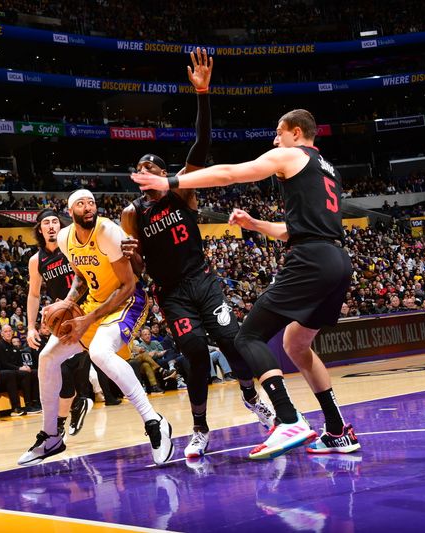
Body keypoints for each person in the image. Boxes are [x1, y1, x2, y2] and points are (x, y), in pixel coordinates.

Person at [132, 108, 361, 459]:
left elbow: (230, 173)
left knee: (247, 336)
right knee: (296, 343)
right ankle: (337, 430)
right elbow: (297, 229)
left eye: (278, 132)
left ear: (296, 133)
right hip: (337, 261)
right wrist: (257, 226)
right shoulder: (328, 170)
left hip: (311, 259)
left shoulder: (290, 153)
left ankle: (288, 419)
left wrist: (170, 182)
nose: (274, 139)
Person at [122, 48, 275, 459]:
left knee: (231, 340)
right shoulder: (131, 213)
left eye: (154, 168)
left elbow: (201, 143)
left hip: (204, 281)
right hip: (171, 292)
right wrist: (132, 255)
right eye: (142, 169)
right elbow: (136, 267)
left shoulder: (183, 190)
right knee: (192, 353)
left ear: (163, 174)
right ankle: (200, 428)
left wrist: (203, 93)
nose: (148, 174)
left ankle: (249, 395)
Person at [17, 190, 173, 466]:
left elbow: (128, 285)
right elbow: (79, 277)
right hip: (94, 303)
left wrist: (86, 320)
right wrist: (66, 304)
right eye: (81, 204)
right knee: (47, 357)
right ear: (71, 211)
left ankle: (154, 422)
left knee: (100, 352)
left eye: (91, 203)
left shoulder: (107, 232)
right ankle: (52, 436)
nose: (88, 207)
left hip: (128, 302)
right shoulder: (66, 238)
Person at [26, 208, 94, 438]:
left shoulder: (71, 247)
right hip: (62, 322)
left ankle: (68, 414)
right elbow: (34, 295)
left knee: (78, 370)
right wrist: (31, 327)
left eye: (55, 221)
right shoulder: (36, 260)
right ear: (40, 229)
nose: (52, 225)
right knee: (58, 369)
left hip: (86, 315)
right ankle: (67, 415)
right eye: (47, 222)